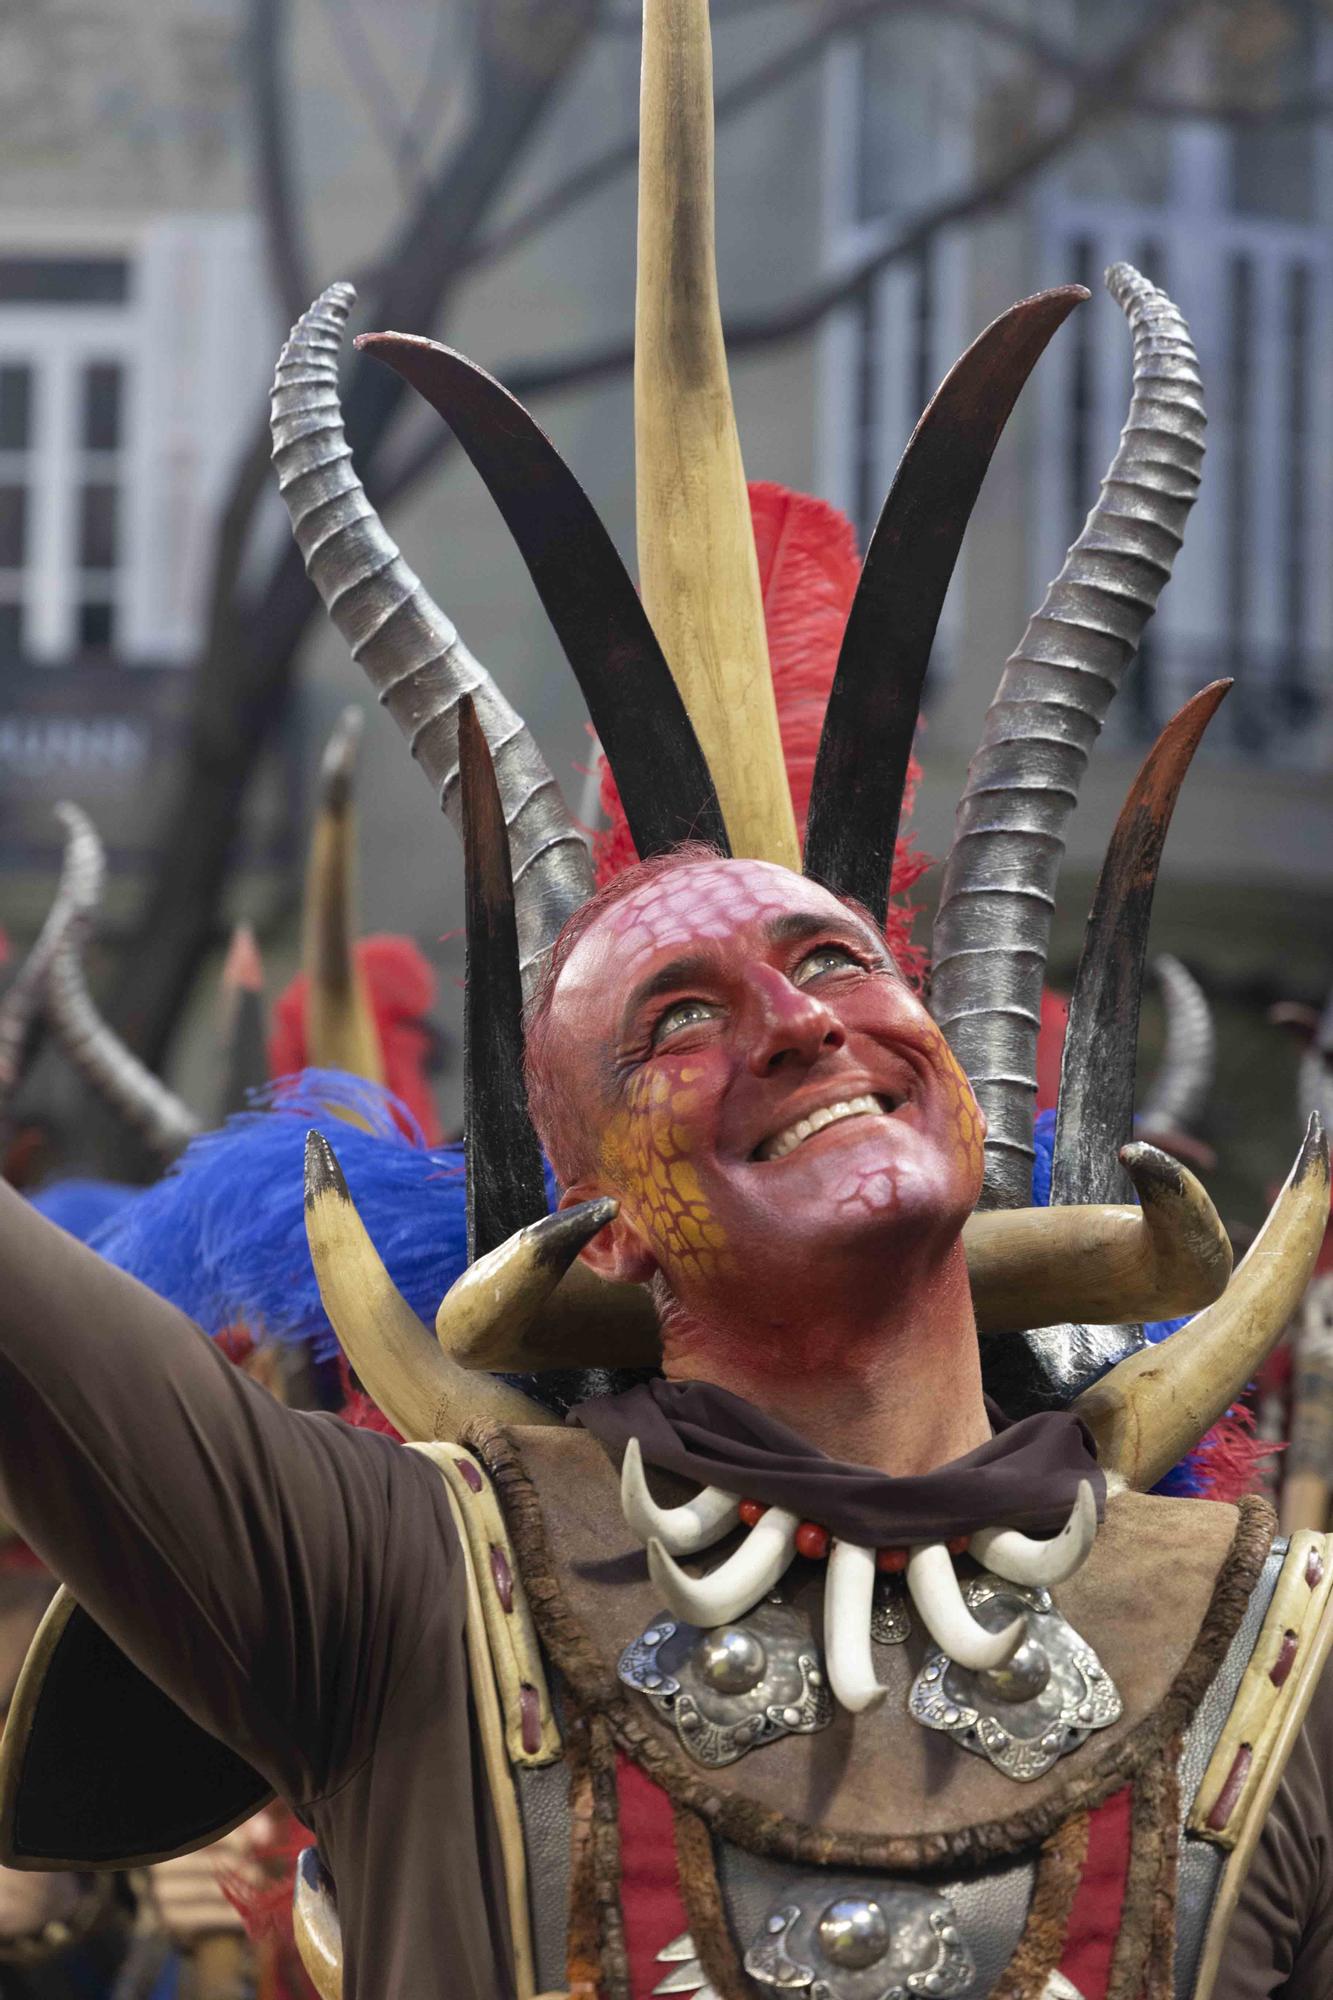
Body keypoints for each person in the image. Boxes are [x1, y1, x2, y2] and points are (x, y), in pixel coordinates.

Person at [0, 7, 1328, 1998]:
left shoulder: (1278, 1655)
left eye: (830, 961)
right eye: (676, 1019)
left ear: (961, 1100)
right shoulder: (399, 1587)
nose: (798, 1022)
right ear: (603, 1211)